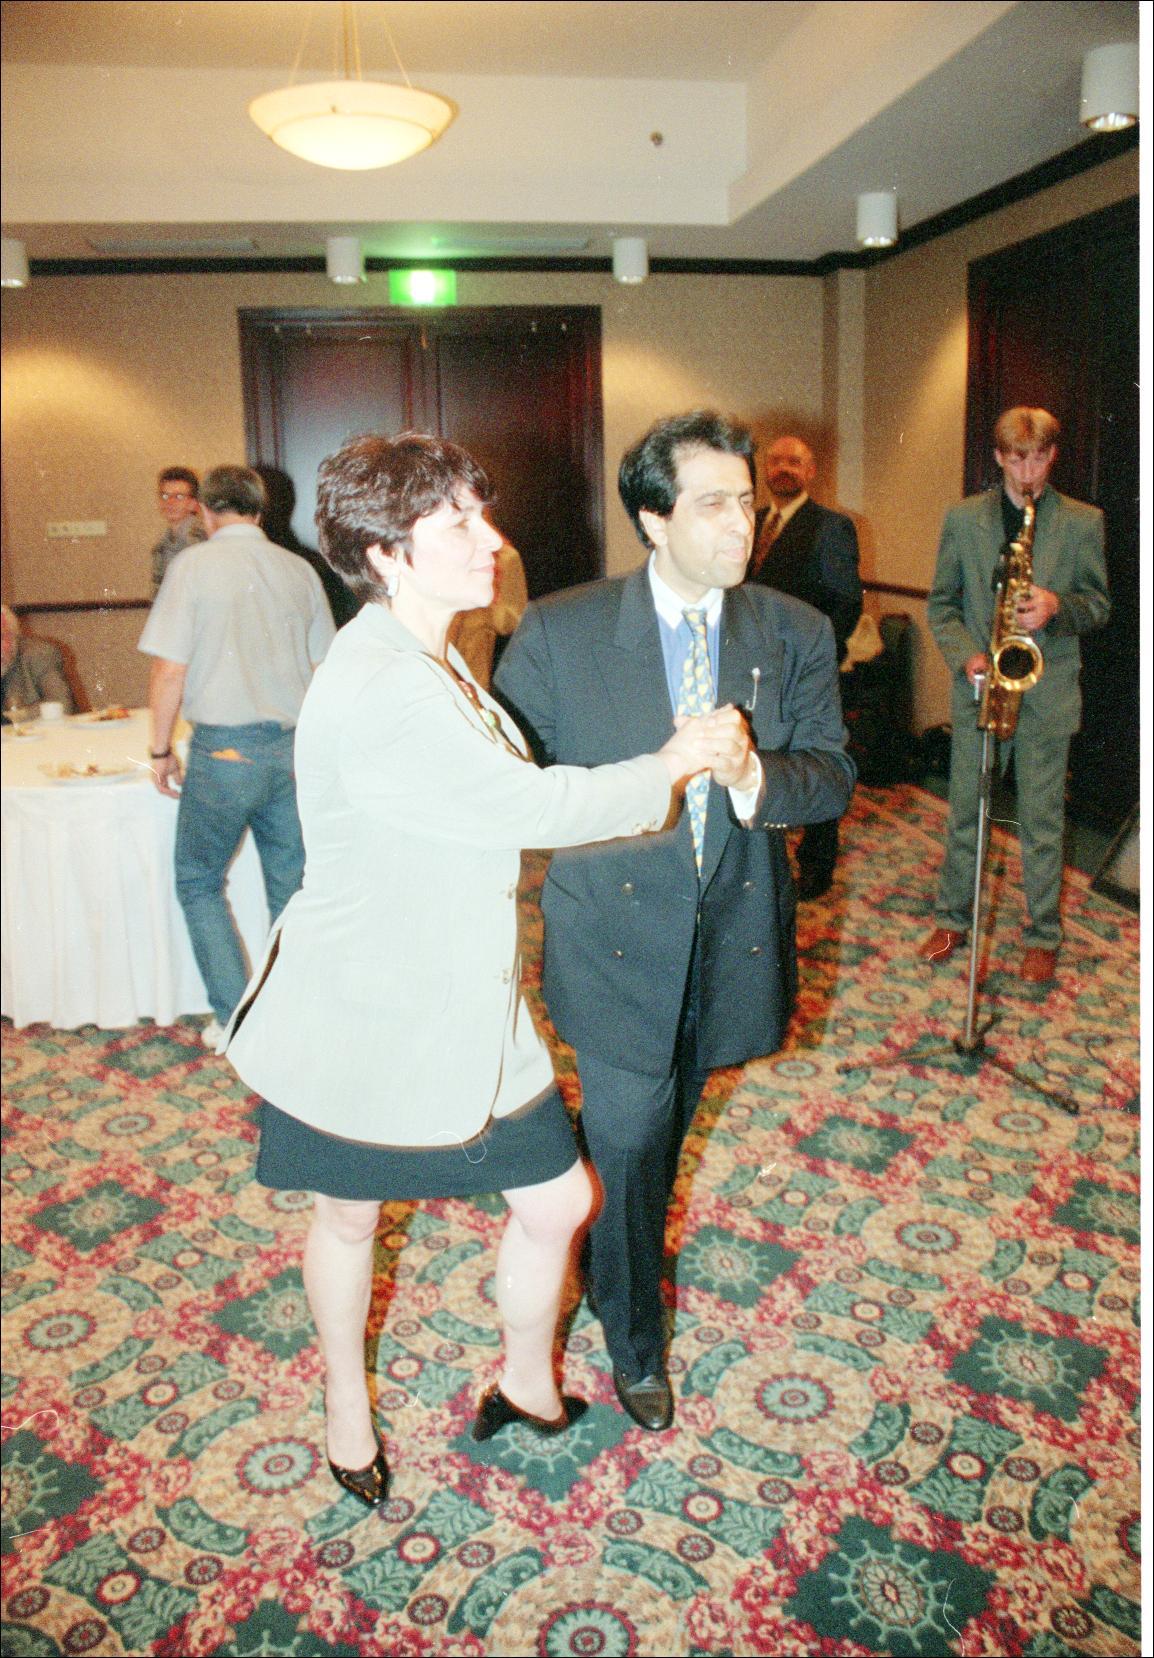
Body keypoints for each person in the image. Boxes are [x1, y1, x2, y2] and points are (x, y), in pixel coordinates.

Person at [221, 431, 740, 1505]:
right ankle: (346, 1412)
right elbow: (527, 805)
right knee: (348, 1215)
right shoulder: (384, 681)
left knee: (557, 1200)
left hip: (468, 997)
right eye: (457, 522)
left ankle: (522, 1382)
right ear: (385, 553)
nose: (490, 539)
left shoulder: (430, 651)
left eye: (481, 514)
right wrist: (669, 763)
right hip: (366, 1005)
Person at [495, 411, 855, 1431]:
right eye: (713, 504)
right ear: (653, 519)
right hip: (610, 943)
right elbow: (506, 784)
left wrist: (751, 775)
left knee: (654, 1133)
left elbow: (829, 775)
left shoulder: (792, 629)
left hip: (732, 938)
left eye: (747, 501)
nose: (742, 522)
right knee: (633, 1136)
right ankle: (633, 1337)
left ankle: (594, 1218)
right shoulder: (561, 632)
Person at [139, 464, 335, 1044]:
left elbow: (169, 670)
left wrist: (159, 750)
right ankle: (296, 1014)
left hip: (225, 753)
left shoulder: (192, 566)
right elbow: (324, 669)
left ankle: (235, 1018)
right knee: (292, 888)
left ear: (205, 509)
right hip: (293, 751)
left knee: (198, 882)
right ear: (260, 510)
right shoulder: (299, 569)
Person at [919, 407, 1109, 984]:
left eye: (1040, 458)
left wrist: (1057, 607)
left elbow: (1099, 607)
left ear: (1053, 456)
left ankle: (1042, 935)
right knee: (965, 812)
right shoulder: (963, 519)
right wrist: (967, 657)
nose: (1029, 472)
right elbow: (942, 605)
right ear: (999, 457)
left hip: (1046, 695)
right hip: (981, 688)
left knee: (1042, 822)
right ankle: (952, 919)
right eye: (1018, 459)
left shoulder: (1083, 522)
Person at [746, 434, 862, 898]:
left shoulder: (831, 527)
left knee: (815, 763)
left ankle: (816, 867)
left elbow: (845, 604)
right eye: (775, 461)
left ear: (811, 471)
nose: (783, 469)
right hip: (752, 669)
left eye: (794, 462)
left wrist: (810, 660)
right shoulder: (751, 521)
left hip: (804, 669)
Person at [447, 538, 528, 688]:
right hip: (434, 664)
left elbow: (514, 620)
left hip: (474, 667)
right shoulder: (437, 556)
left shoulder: (504, 556)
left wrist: (488, 607)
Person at [1, 604, 74, 718]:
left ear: (14, 636)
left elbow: (61, 705)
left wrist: (15, 716)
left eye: (1, 637)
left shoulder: (39, 654)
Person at [150, 466, 206, 595]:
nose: (170, 502)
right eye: (165, 496)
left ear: (194, 503)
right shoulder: (161, 546)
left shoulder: (202, 539)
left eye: (179, 496)